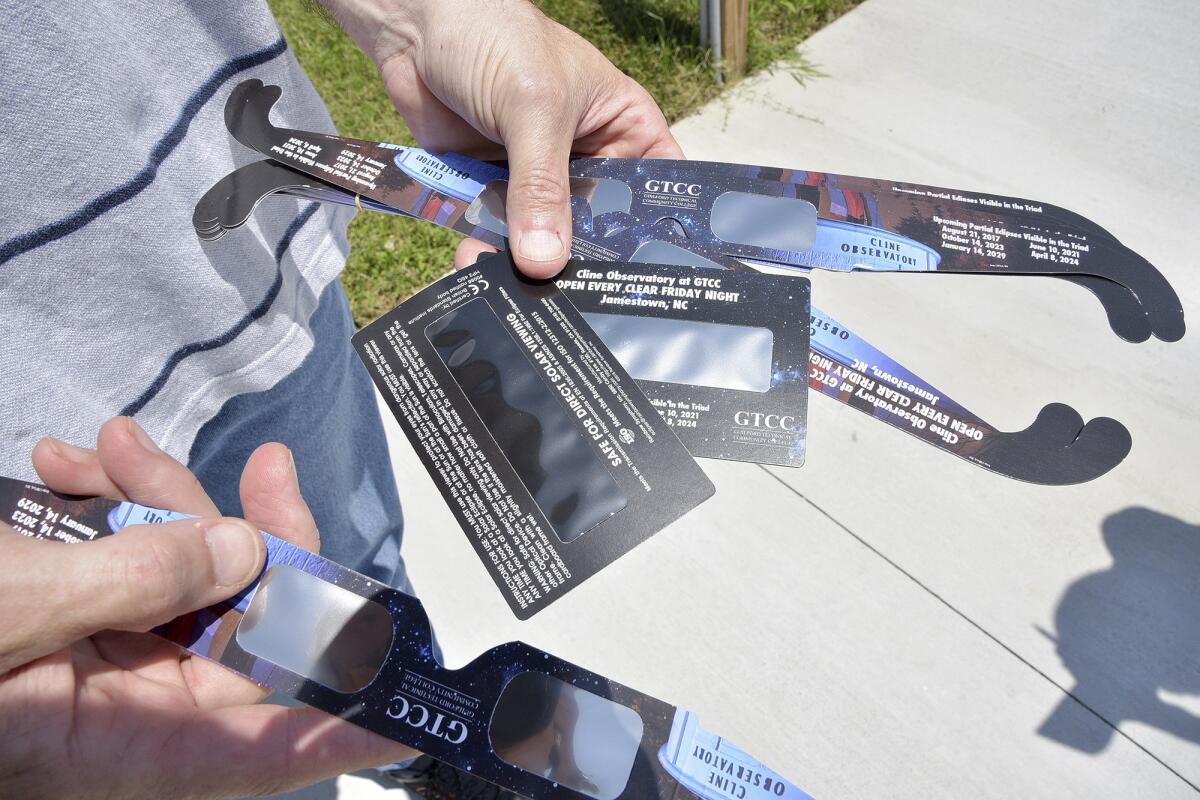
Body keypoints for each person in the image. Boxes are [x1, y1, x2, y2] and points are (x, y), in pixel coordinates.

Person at [0, 0, 682, 796]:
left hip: (263, 295)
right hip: (33, 470)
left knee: (362, 588)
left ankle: (413, 747)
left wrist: (419, 20)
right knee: (226, 740)